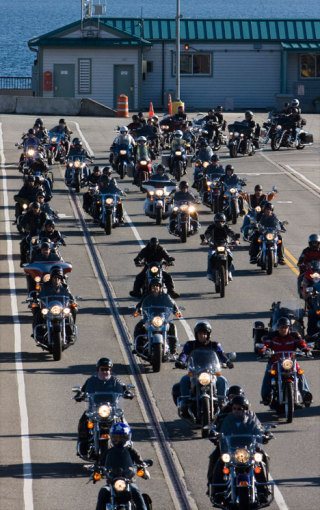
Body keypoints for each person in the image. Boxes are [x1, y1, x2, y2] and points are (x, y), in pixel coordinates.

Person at [209, 396, 271, 505]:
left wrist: (265, 435)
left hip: (249, 449)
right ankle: (217, 492)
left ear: (245, 409)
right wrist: (214, 435)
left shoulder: (251, 420)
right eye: (235, 409)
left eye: (240, 409)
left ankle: (263, 490)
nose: (237, 411)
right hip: (231, 450)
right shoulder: (227, 420)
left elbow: (258, 429)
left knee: (262, 457)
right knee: (218, 460)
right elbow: (220, 431)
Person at [173, 321, 233, 418]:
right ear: (196, 334)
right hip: (194, 372)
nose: (203, 336)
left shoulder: (215, 345)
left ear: (208, 334)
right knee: (184, 380)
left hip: (212, 372)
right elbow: (184, 354)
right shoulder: (190, 345)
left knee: (222, 380)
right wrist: (180, 361)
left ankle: (222, 402)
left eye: (205, 333)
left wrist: (228, 362)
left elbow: (222, 355)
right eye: (200, 333)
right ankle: (185, 403)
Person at [75, 358, 132, 457]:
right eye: (103, 369)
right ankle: (82, 442)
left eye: (107, 369)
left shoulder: (115, 380)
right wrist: (79, 395)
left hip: (111, 409)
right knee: (83, 421)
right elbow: (83, 390)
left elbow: (123, 388)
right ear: (98, 370)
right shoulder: (91, 380)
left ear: (110, 370)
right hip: (95, 408)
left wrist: (128, 392)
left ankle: (128, 443)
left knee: (122, 422)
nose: (105, 371)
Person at [260, 316, 312, 406]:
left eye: (285, 327)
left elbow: (301, 343)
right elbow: (266, 344)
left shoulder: (294, 335)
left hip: (290, 362)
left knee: (299, 372)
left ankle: (306, 395)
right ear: (278, 328)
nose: (283, 329)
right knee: (269, 374)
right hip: (275, 361)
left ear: (289, 328)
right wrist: (264, 349)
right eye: (281, 327)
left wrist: (306, 349)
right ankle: (266, 396)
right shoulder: (272, 336)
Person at [95, 423, 149, 510]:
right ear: (111, 438)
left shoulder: (131, 451)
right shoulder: (108, 452)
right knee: (103, 491)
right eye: (116, 438)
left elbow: (140, 462)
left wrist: (142, 466)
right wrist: (96, 470)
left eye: (122, 438)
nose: (118, 440)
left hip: (129, 481)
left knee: (135, 491)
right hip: (112, 482)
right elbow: (100, 463)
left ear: (127, 438)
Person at [133, 280, 180, 355]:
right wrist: (137, 311)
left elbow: (172, 303)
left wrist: (176, 311)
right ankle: (138, 347)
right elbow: (140, 304)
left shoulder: (165, 296)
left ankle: (173, 349)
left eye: (157, 286)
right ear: (150, 288)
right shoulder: (147, 296)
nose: (155, 287)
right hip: (149, 317)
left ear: (160, 287)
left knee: (172, 327)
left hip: (162, 318)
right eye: (153, 286)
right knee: (139, 326)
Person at [201, 212, 240, 281]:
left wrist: (236, 240)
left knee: (230, 255)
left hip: (225, 245)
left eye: (222, 222)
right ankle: (209, 273)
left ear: (224, 221)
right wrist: (205, 240)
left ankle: (229, 271)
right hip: (213, 245)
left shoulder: (226, 227)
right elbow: (207, 234)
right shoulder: (211, 227)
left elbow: (231, 233)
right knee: (210, 256)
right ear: (215, 221)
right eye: (218, 222)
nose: (220, 223)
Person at [19, 202, 47, 266]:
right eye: (34, 208)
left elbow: (47, 223)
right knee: (23, 244)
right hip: (31, 234)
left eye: (36, 208)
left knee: (50, 245)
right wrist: (26, 228)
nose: (35, 209)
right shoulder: (29, 214)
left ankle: (53, 259)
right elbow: (22, 222)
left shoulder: (43, 215)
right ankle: (23, 261)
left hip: (41, 235)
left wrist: (43, 229)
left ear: (39, 208)